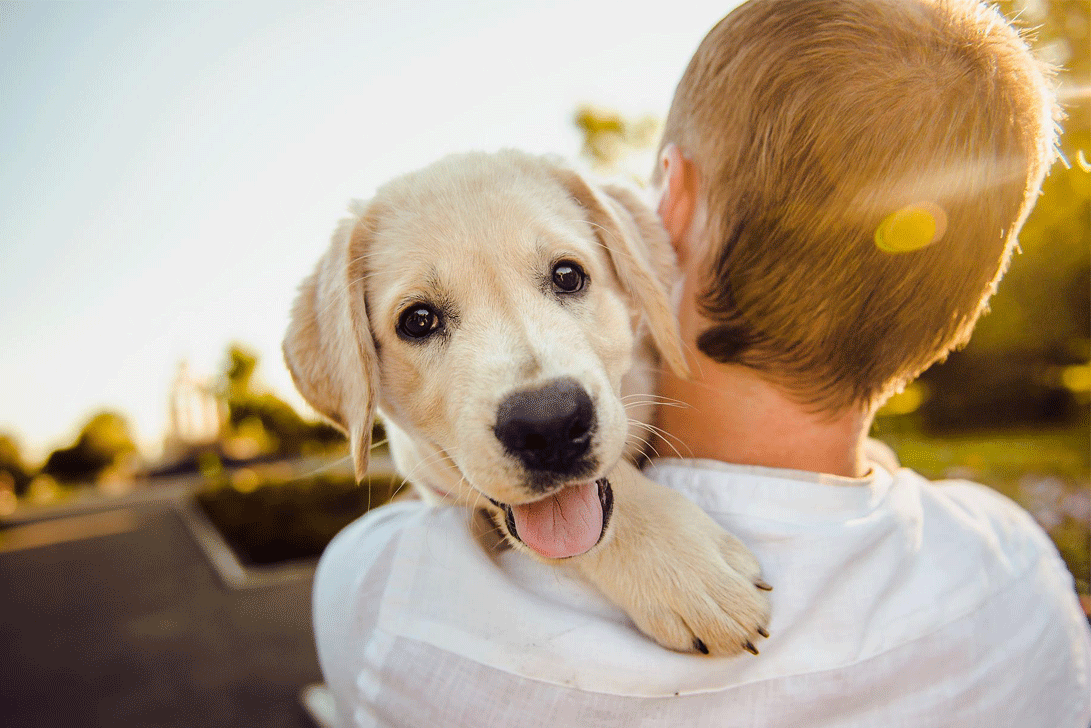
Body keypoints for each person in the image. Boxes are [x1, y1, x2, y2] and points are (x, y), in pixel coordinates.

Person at [310, 1, 1091, 726]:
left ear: (666, 208)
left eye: (566, 277)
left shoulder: (387, 598)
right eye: (422, 320)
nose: (538, 393)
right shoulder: (1017, 569)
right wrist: (624, 520)